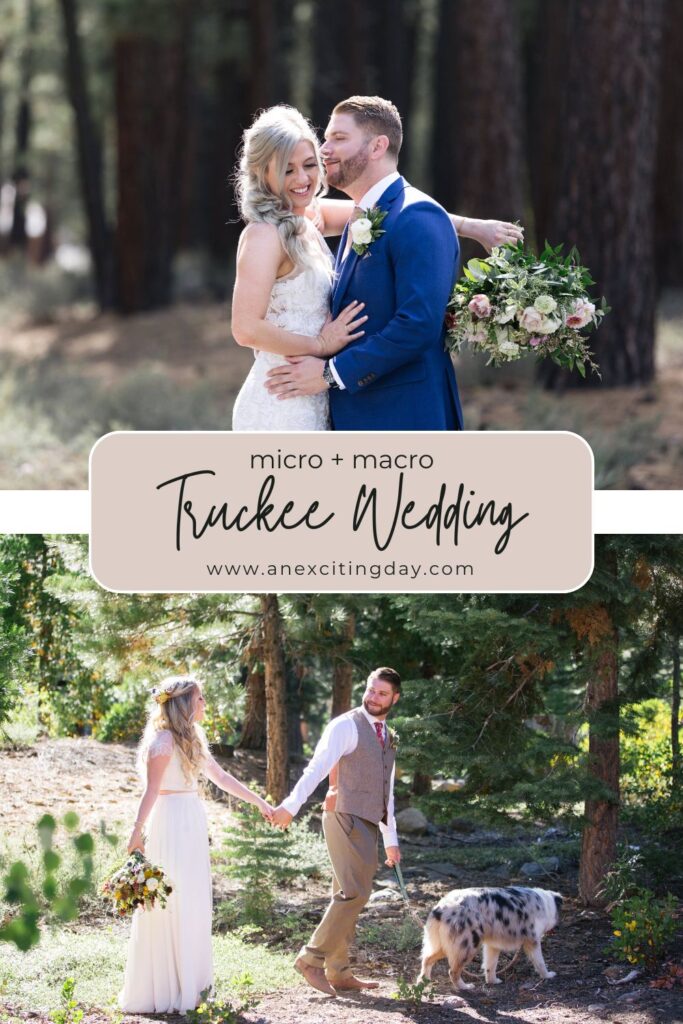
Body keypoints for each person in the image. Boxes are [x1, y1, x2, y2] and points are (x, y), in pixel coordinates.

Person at [231, 102, 523, 431]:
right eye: (287, 170)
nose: (303, 177)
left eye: (309, 164)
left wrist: (471, 226)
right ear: (263, 173)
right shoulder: (265, 234)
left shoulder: (311, 216)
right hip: (283, 395)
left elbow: (403, 213)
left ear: (377, 146)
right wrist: (321, 347)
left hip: (329, 397)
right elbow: (245, 329)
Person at [119, 676, 272, 1015]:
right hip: (169, 822)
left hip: (191, 820)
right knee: (171, 902)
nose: (204, 704)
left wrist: (258, 801)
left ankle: (194, 989)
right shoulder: (162, 741)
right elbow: (151, 791)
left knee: (193, 902)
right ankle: (168, 990)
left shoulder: (194, 736)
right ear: (185, 703)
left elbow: (222, 777)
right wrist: (136, 832)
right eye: (200, 698)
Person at [270, 667, 402, 996]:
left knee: (345, 893)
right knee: (355, 893)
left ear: (395, 699)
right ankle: (311, 960)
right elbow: (316, 767)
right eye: (371, 690)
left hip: (368, 821)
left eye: (382, 693)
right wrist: (291, 805)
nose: (374, 697)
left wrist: (391, 840)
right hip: (343, 815)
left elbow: (387, 791)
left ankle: (339, 971)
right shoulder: (346, 725)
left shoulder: (390, 736)